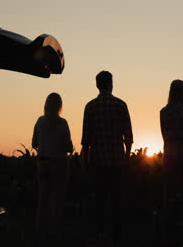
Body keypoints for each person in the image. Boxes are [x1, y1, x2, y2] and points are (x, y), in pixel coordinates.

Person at [81, 71, 133, 246]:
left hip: (98, 163)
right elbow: (129, 137)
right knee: (117, 201)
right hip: (117, 162)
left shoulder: (90, 107)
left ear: (97, 85)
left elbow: (86, 141)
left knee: (100, 201)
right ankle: (117, 235)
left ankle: (100, 233)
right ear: (111, 84)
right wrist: (126, 157)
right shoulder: (121, 105)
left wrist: (85, 163)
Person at [32, 92, 73, 245]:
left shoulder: (40, 121)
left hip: (43, 163)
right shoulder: (63, 123)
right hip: (59, 164)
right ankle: (54, 232)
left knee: (42, 199)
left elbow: (34, 143)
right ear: (60, 106)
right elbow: (68, 146)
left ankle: (39, 231)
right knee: (57, 200)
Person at [159, 79, 183, 234]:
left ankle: (169, 226)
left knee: (169, 192)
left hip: (169, 157)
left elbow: (165, 136)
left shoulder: (163, 112)